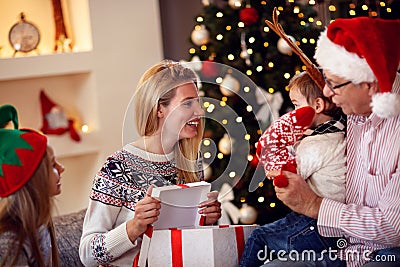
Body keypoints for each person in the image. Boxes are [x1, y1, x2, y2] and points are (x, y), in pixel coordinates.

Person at [267, 17, 400, 266]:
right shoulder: (354, 111)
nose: (327, 92)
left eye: (334, 84)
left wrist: (314, 204)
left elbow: (393, 228)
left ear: (369, 84)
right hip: (342, 251)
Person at [79, 60, 222, 266]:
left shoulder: (191, 161)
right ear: (159, 109)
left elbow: (184, 241)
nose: (199, 112)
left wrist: (206, 220)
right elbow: (87, 254)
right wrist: (134, 226)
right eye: (188, 103)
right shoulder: (117, 167)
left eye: (197, 102)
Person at [240, 71, 347, 267]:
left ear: (317, 105)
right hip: (325, 222)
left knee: (259, 237)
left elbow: (287, 175)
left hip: (319, 225)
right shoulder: (334, 134)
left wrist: (272, 147)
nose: (291, 113)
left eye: (296, 105)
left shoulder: (318, 144)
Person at [0, 104, 65, 267]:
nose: (61, 168)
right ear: (34, 180)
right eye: (52, 165)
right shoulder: (9, 243)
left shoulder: (41, 225)